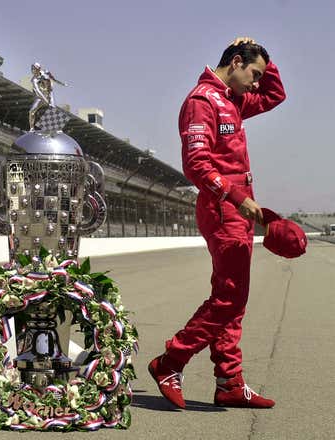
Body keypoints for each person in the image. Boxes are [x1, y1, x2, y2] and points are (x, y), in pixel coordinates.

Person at [148, 37, 286, 409]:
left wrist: (265, 60)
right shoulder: (201, 101)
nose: (257, 84)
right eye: (254, 74)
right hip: (224, 208)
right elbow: (196, 165)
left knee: (234, 299)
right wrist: (239, 199)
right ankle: (171, 361)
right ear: (236, 62)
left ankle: (229, 381)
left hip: (237, 212)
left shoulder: (234, 100)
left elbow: (275, 96)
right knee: (228, 297)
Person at [28, 62, 67, 130]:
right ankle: (31, 128)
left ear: (38, 69)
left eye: (34, 69)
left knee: (53, 109)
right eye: (32, 69)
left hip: (49, 94)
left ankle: (56, 128)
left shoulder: (46, 73)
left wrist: (62, 84)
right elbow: (38, 91)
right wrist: (45, 100)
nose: (33, 71)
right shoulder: (34, 80)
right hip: (41, 96)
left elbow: (54, 80)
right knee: (31, 111)